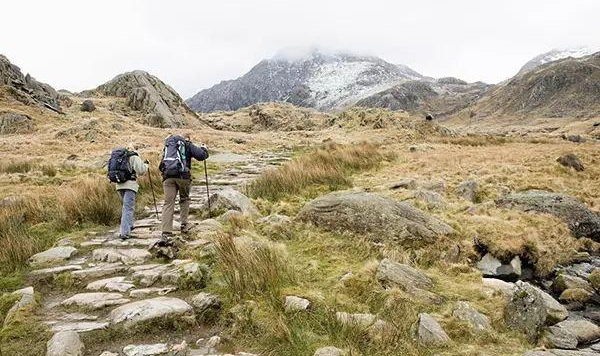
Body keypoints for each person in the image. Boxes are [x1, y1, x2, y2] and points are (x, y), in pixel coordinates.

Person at [159, 133, 209, 240]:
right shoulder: (187, 144)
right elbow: (201, 156)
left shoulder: (169, 146)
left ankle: (166, 231)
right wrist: (204, 149)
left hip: (168, 177)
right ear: (187, 139)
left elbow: (161, 164)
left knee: (168, 203)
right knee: (184, 199)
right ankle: (184, 225)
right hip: (183, 177)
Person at [108, 144, 148, 240]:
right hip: (130, 185)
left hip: (119, 185)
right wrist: (146, 165)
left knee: (126, 207)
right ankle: (125, 232)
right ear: (135, 149)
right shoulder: (133, 156)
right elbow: (141, 170)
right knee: (128, 208)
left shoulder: (118, 157)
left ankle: (129, 225)